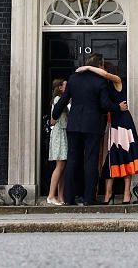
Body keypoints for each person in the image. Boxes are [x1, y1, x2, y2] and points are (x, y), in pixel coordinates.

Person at [51, 54, 128, 206]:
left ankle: (69, 198)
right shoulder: (100, 81)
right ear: (100, 65)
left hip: (74, 125)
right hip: (92, 125)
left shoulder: (73, 79)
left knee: (72, 161)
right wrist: (117, 107)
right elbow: (105, 104)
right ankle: (88, 198)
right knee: (91, 161)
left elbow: (64, 99)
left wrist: (55, 114)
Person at [77, 61, 138, 204]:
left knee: (127, 155)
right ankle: (108, 193)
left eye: (100, 68)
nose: (98, 70)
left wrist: (89, 67)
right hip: (111, 122)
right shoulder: (102, 85)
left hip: (123, 122)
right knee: (110, 158)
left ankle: (127, 193)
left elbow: (106, 75)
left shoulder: (117, 80)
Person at [46, 78, 68, 206]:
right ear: (60, 88)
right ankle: (51, 195)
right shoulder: (58, 100)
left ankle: (60, 196)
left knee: (62, 167)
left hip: (62, 133)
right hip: (60, 133)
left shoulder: (61, 100)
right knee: (59, 166)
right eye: (65, 85)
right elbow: (54, 119)